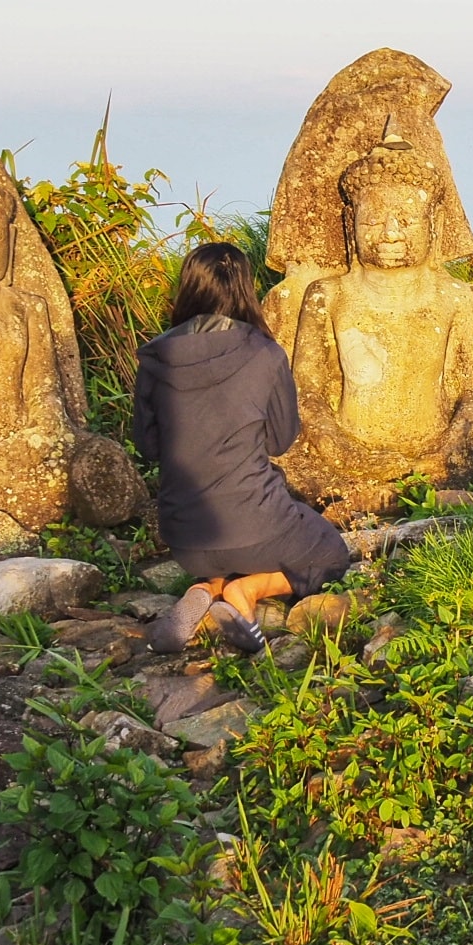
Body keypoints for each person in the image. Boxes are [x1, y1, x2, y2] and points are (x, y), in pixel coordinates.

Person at [132, 242, 351, 651]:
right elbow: (280, 440)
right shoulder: (265, 353)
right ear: (245, 288)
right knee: (330, 554)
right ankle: (245, 591)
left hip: (184, 538)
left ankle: (207, 586)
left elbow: (148, 445)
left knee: (223, 552)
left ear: (189, 287)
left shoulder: (155, 356)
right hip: (256, 524)